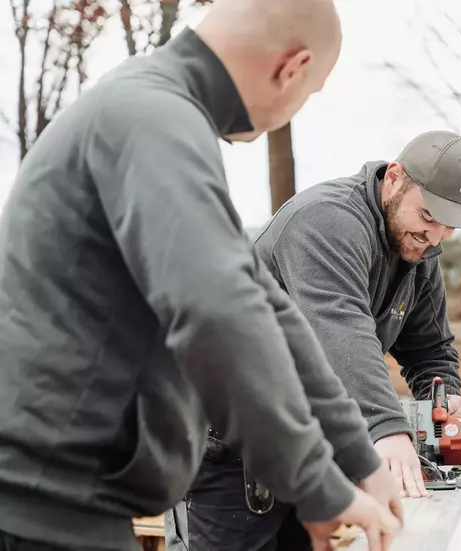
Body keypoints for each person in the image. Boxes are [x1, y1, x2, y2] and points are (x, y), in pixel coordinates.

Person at [0, 0, 403, 550]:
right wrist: (315, 486)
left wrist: (357, 455)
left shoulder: (157, 115)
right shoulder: (152, 118)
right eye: (307, 95)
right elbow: (219, 314)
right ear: (291, 68)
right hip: (44, 511)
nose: (293, 110)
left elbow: (268, 311)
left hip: (64, 504)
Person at [166, 130, 461, 550]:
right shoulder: (326, 221)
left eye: (448, 227)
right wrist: (388, 430)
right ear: (395, 178)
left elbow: (429, 348)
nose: (434, 237)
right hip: (226, 445)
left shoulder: (417, 251)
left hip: (302, 447)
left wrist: (440, 399)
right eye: (427, 217)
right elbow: (339, 328)